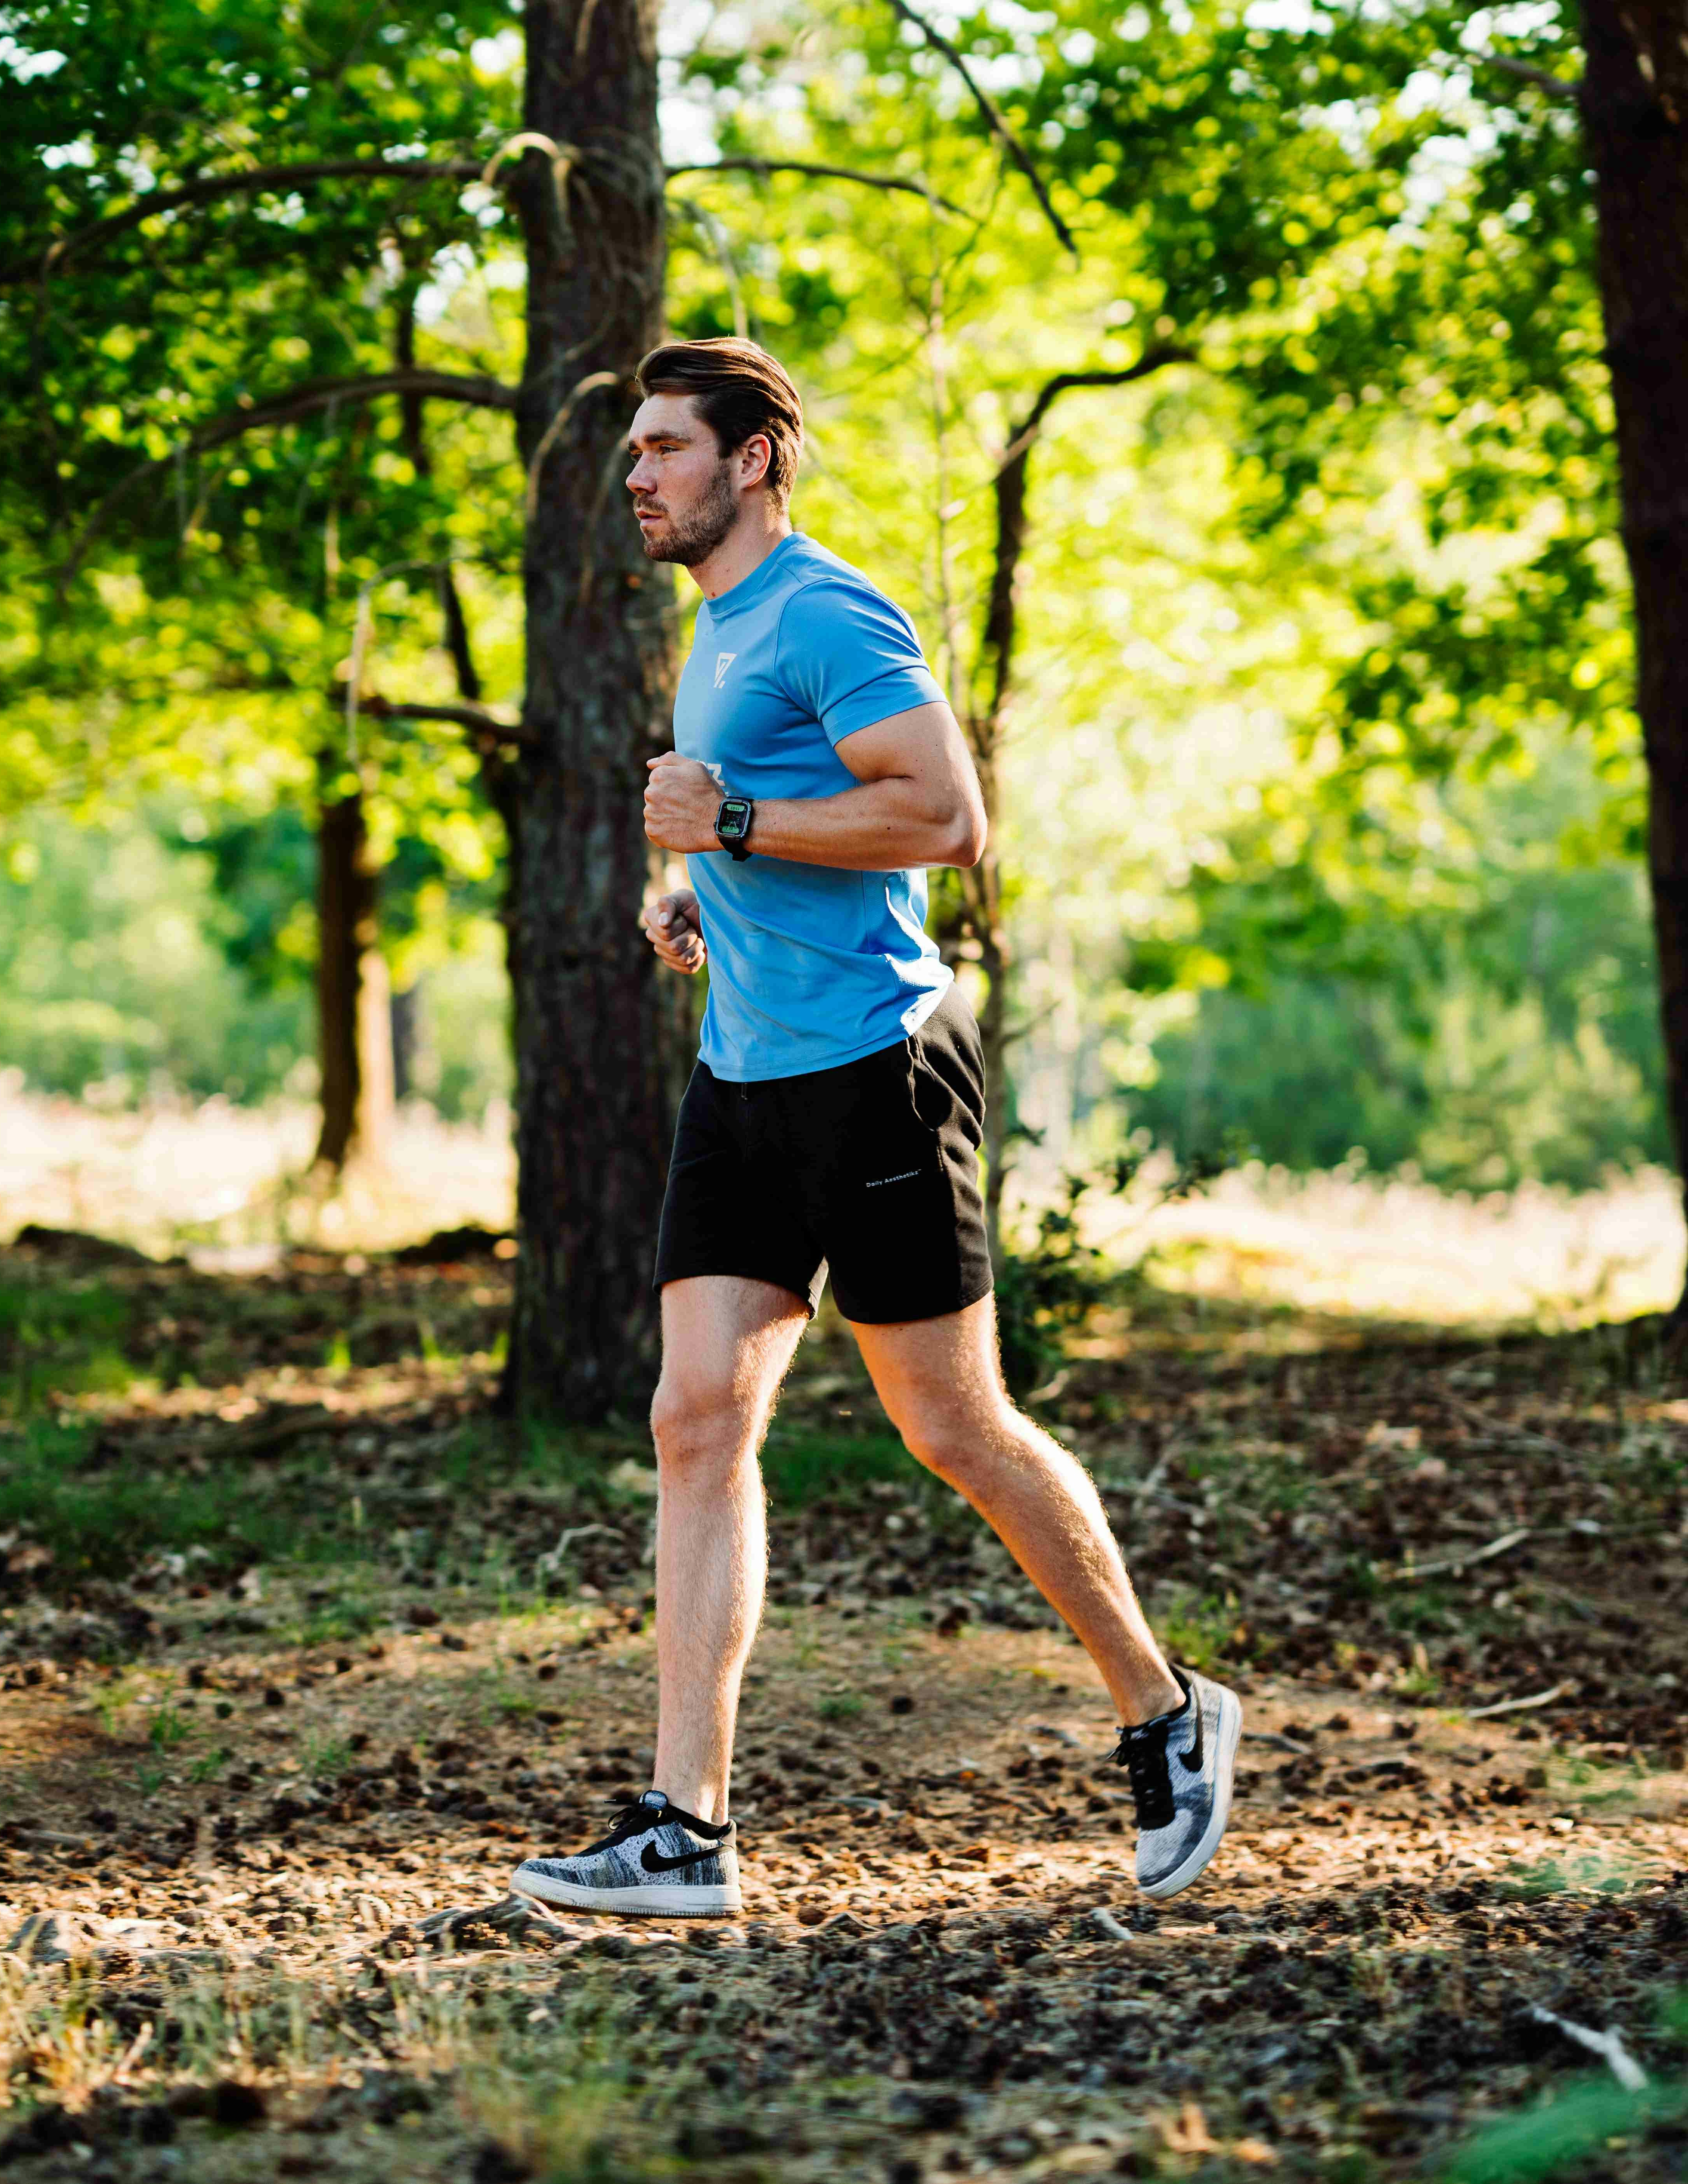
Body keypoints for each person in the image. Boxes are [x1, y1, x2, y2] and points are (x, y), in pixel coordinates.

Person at [510, 337, 1239, 1921]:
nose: (636, 476)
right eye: (632, 452)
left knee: (953, 1429)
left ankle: (1165, 1710)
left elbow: (944, 818)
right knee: (695, 1415)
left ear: (752, 458)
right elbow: (761, 822)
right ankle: (683, 1830)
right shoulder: (714, 627)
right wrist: (694, 887)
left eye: (663, 450)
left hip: (878, 1071)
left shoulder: (831, 608)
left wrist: (740, 826)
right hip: (746, 1072)